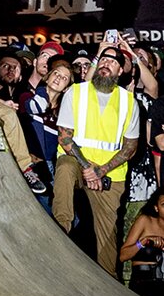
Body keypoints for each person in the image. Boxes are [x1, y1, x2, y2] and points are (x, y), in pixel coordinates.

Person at [54, 46, 140, 276]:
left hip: (109, 175)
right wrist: (87, 167)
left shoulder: (129, 102)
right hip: (78, 163)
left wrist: (101, 171)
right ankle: (60, 228)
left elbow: (131, 146)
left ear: (120, 70)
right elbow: (64, 136)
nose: (105, 63)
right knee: (64, 168)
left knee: (107, 239)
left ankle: (110, 286)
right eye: (103, 59)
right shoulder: (76, 92)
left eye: (112, 61)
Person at [24, 56, 73, 179]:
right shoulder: (29, 98)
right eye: (56, 73)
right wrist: (41, 90)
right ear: (47, 77)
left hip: (49, 166)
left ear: (66, 88)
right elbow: (39, 106)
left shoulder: (64, 112)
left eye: (64, 78)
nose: (58, 78)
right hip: (28, 163)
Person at [119, 188, 164, 296]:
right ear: (156, 207)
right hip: (143, 283)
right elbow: (123, 256)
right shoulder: (145, 221)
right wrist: (142, 243)